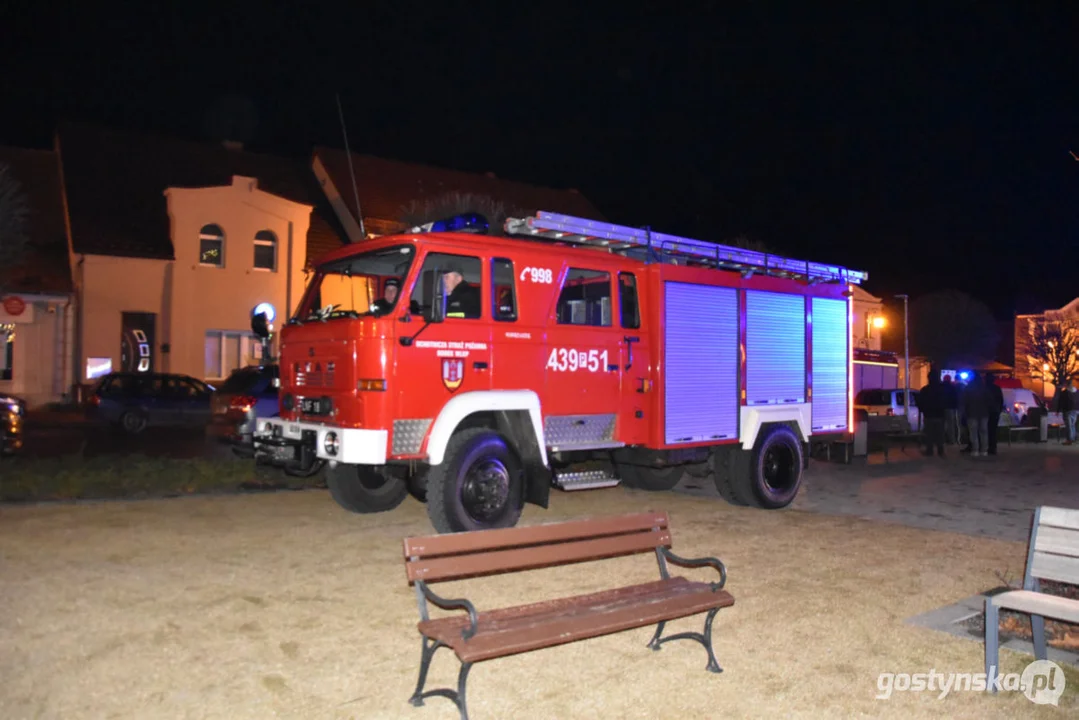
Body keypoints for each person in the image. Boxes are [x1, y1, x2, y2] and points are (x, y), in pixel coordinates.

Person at [961, 371, 990, 457]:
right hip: (984, 413)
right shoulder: (984, 388)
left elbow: (964, 401)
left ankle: (975, 449)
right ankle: (984, 450)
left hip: (972, 413)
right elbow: (989, 401)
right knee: (983, 432)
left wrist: (965, 412)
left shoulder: (968, 388)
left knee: (973, 432)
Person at [918, 371, 946, 457]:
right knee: (940, 434)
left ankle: (929, 450)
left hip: (929, 415)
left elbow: (921, 402)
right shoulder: (942, 389)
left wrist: (922, 410)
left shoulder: (925, 390)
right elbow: (945, 401)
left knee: (929, 433)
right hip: (940, 414)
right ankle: (940, 450)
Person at [984, 373, 1004, 455]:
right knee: (993, 430)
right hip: (995, 412)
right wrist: (999, 410)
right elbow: (1001, 400)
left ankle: (988, 446)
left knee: (986, 430)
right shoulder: (997, 388)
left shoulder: (985, 388)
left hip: (987, 412)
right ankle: (993, 447)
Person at [941, 374, 960, 445]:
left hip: (942, 408)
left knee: (942, 425)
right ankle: (951, 440)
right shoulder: (953, 387)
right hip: (951, 408)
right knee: (951, 425)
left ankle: (942, 440)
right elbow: (955, 398)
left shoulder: (941, 387)